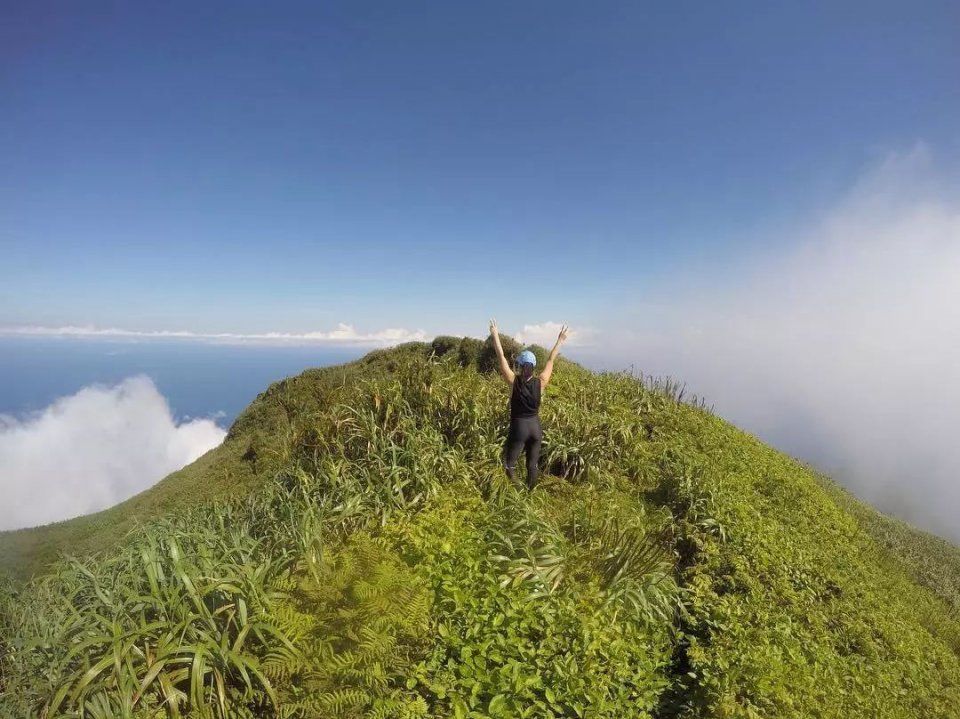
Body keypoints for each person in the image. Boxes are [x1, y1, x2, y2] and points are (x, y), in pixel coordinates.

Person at [488, 319, 569, 489]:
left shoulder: (513, 380)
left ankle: (519, 491)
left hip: (519, 427)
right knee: (532, 465)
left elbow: (500, 356)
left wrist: (495, 334)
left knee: (509, 465)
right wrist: (560, 340)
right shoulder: (542, 382)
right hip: (536, 428)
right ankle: (530, 492)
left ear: (519, 366)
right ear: (532, 367)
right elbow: (551, 360)